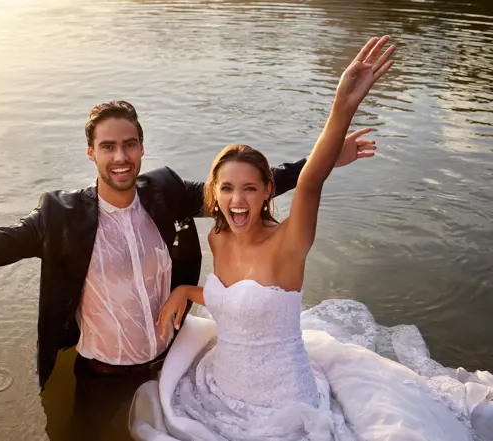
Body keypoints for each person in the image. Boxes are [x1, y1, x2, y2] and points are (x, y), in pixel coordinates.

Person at [0, 100, 376, 439]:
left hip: (172, 365)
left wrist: (323, 162)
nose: (121, 157)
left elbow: (242, 190)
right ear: (91, 152)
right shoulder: (61, 217)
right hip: (102, 377)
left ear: (142, 149)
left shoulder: (164, 194)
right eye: (108, 147)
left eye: (130, 144)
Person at [131, 35, 493, 441]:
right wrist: (185, 290)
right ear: (214, 191)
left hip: (285, 408)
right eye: (228, 188)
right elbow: (232, 300)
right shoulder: (218, 238)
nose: (237, 199)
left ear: (268, 190)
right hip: (218, 389)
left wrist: (343, 104)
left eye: (250, 188)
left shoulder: (289, 243)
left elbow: (309, 182)